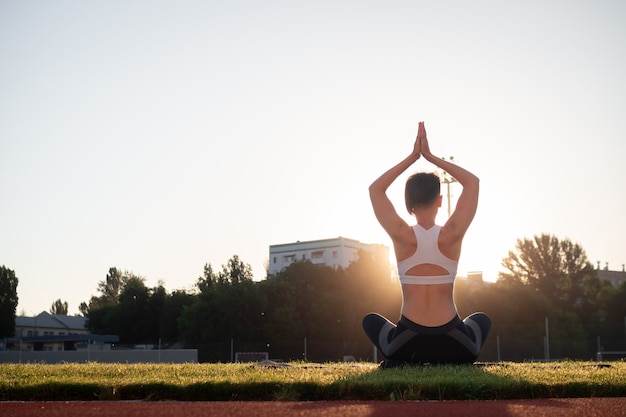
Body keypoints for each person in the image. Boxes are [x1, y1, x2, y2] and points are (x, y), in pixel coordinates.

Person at [363, 121, 491, 367]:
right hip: (455, 345)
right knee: (481, 319)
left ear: (408, 203)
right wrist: (431, 157)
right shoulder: (452, 234)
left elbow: (375, 189)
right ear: (440, 200)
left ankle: (399, 362)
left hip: (406, 344)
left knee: (370, 320)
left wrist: (413, 157)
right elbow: (472, 182)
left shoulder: (401, 234)